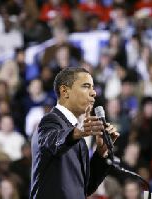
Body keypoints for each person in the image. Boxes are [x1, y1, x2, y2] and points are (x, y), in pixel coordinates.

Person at [30, 67, 119, 199]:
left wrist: (100, 152)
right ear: (65, 91)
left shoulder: (78, 136)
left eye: (93, 87)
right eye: (86, 86)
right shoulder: (50, 121)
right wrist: (77, 132)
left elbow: (85, 187)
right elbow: (51, 142)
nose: (93, 93)